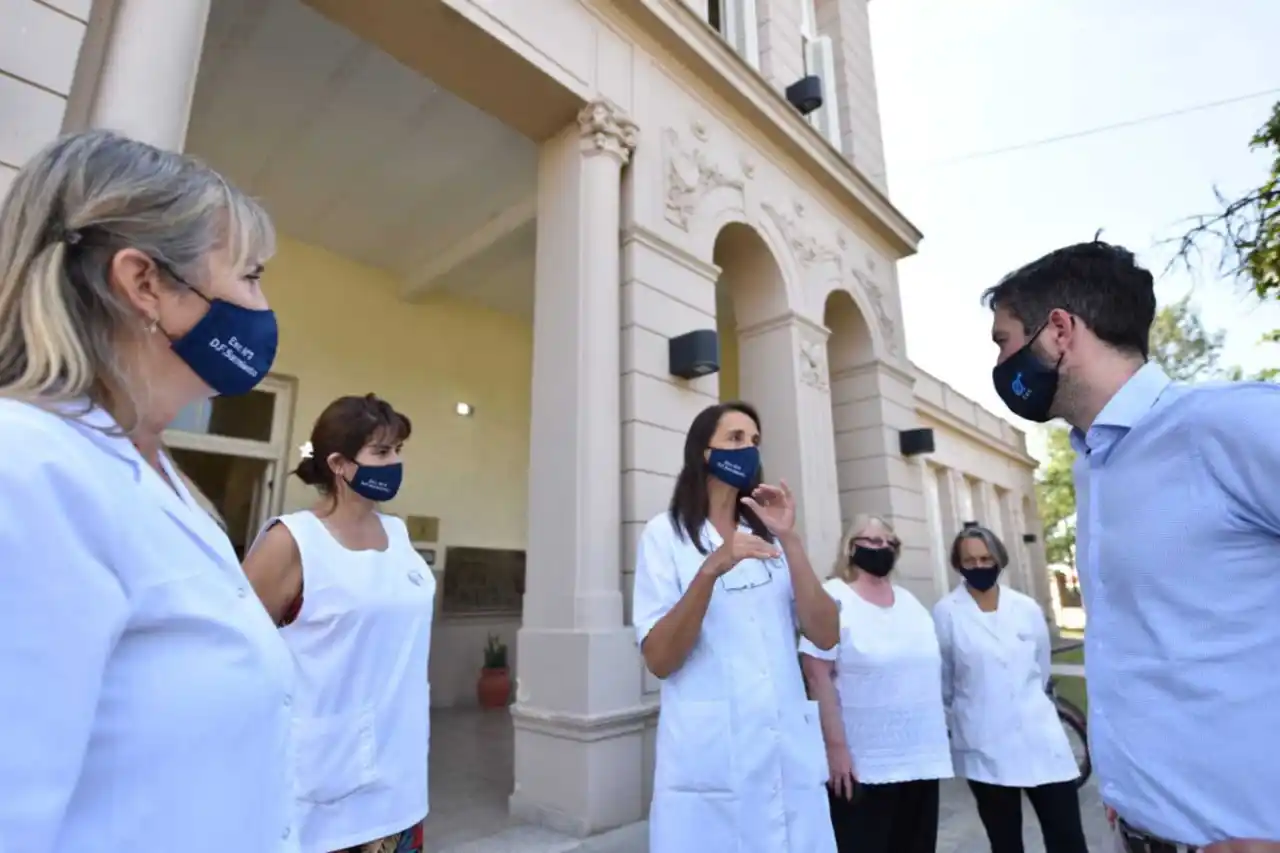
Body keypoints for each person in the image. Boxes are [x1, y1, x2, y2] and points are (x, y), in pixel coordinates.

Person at [0, 130, 295, 851]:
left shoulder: (157, 478)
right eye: (249, 275)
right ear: (144, 285)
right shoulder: (27, 469)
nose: (261, 305)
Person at [986, 239, 1280, 853]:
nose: (1000, 363)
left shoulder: (1227, 426)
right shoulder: (1095, 462)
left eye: (1004, 341)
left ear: (1059, 331)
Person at [631, 400, 840, 853]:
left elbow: (825, 633)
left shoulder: (770, 537)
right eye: (735, 438)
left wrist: (790, 537)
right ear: (703, 453)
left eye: (755, 441)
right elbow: (660, 659)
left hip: (785, 759)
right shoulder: (664, 536)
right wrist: (710, 569)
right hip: (710, 764)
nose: (748, 449)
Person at [243, 393, 434, 853]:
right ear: (339, 464)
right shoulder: (292, 541)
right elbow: (235, 656)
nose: (394, 464)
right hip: (318, 789)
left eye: (398, 452)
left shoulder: (399, 535)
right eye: (382, 452)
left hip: (400, 781)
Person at [800, 514, 953, 853]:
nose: (881, 548)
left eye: (888, 542)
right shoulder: (834, 597)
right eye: (870, 541)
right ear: (850, 548)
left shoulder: (910, 603)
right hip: (863, 764)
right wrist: (835, 749)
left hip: (920, 758)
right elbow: (817, 674)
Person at [933, 523, 1087, 853]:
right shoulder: (946, 612)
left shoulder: (1026, 608)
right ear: (957, 564)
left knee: (1068, 838)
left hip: (1040, 736)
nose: (978, 566)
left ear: (999, 559)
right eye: (970, 560)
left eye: (986, 558)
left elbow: (1041, 666)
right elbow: (945, 682)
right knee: (1005, 842)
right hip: (985, 743)